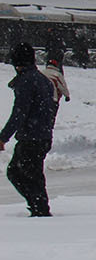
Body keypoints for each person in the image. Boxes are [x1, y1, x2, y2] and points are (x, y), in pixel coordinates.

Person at [0, 42, 59, 216]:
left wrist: (3, 137)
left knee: (19, 173)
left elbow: (19, 113)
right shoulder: (43, 80)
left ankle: (39, 209)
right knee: (32, 174)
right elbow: (51, 108)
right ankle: (38, 206)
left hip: (30, 137)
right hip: (42, 135)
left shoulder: (26, 82)